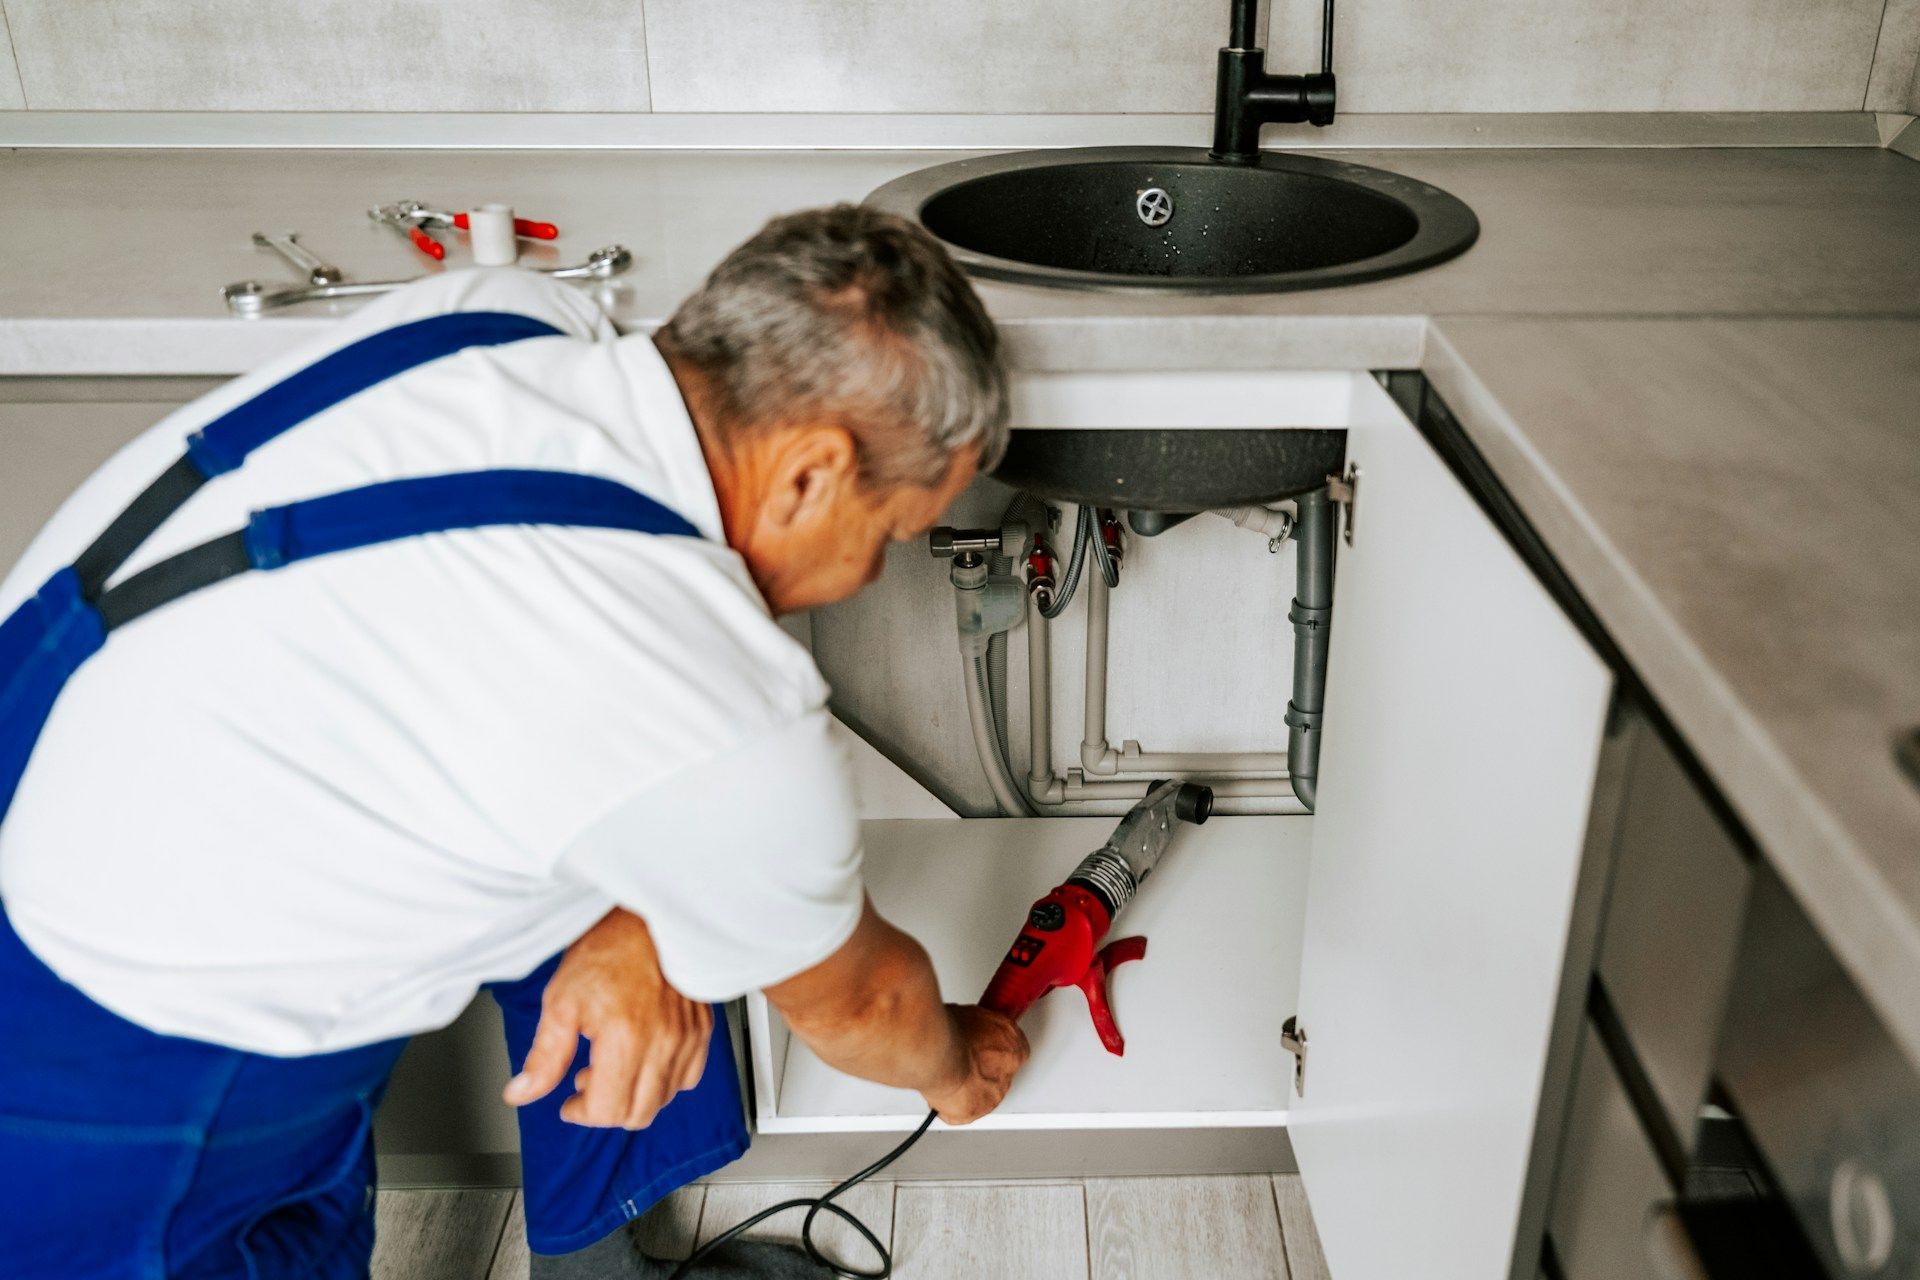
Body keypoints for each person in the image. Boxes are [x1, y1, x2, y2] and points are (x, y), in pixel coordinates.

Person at [0, 204, 1029, 1280]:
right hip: (112, 1082)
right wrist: (961, 1064)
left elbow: (498, 678)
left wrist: (643, 916)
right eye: (893, 534)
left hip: (79, 768)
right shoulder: (715, 704)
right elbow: (865, 1003)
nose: (870, 575)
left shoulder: (502, 313)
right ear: (812, 472)